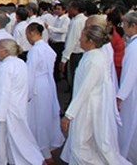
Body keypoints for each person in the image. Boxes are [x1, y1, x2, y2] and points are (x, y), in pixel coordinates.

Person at [60, 25, 130, 164]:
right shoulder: (90, 56)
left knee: (81, 146)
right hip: (85, 106)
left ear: (91, 41)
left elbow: (84, 90)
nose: (79, 40)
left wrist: (69, 114)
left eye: (82, 37)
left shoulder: (95, 60)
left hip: (89, 108)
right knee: (83, 146)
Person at [0, 38, 44, 165]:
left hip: (6, 111)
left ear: (5, 52)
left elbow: (2, 93)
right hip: (18, 107)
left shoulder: (5, 67)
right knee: (20, 138)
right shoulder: (21, 63)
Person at [25, 23, 65, 164]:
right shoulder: (47, 48)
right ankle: (46, 146)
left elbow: (30, 73)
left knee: (37, 119)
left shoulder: (35, 51)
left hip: (37, 85)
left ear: (31, 33)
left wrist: (27, 93)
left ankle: (43, 151)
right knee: (45, 116)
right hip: (47, 84)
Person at [118, 11, 137, 163]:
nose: (123, 27)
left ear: (133, 26)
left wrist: (120, 96)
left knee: (129, 126)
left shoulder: (133, 48)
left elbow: (129, 75)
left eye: (124, 24)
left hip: (132, 94)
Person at [60, 0, 87, 98]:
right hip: (83, 53)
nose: (68, 10)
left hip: (76, 54)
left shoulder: (76, 22)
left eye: (70, 7)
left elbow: (71, 41)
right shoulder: (84, 20)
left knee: (74, 80)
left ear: (76, 9)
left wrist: (64, 59)